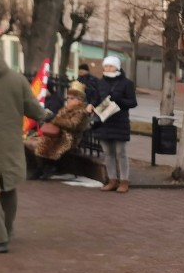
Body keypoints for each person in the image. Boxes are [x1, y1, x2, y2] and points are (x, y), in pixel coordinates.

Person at [0, 56, 53, 253]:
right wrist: (46, 115)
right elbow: (34, 109)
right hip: (9, 146)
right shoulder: (16, 79)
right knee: (8, 187)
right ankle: (7, 231)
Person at [89, 55, 137, 193]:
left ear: (117, 67)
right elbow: (95, 98)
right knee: (108, 153)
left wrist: (119, 100)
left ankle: (124, 181)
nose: (108, 68)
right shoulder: (100, 82)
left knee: (120, 152)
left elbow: (132, 103)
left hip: (119, 122)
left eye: (110, 66)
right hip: (104, 121)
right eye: (106, 66)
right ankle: (112, 180)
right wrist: (91, 105)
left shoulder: (126, 83)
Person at [33, 81, 91, 178]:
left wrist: (57, 121)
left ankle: (46, 167)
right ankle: (44, 167)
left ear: (79, 100)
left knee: (46, 141)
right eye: (68, 98)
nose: (68, 100)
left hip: (70, 136)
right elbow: (56, 120)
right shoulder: (65, 109)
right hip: (59, 133)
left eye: (72, 98)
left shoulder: (81, 111)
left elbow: (73, 125)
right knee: (42, 140)